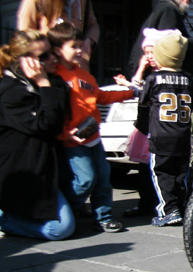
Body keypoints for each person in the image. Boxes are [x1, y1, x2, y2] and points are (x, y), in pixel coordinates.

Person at [0, 30, 75, 240]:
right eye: (43, 56)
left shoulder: (54, 81)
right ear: (24, 61)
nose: (53, 58)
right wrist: (44, 83)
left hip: (47, 167)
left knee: (84, 183)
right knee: (60, 229)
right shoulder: (12, 93)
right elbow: (48, 125)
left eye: (52, 52)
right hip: (23, 173)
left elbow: (61, 113)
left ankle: (3, 209)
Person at [48, 22, 135, 233]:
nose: (80, 50)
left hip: (93, 137)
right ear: (59, 50)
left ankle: (103, 217)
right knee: (85, 180)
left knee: (103, 178)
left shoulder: (85, 75)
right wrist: (64, 134)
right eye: (74, 47)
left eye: (81, 46)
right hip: (72, 141)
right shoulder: (54, 77)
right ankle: (65, 211)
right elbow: (52, 111)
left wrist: (130, 92)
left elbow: (101, 96)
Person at [128, 0, 193, 159]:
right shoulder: (168, 11)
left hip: (176, 88)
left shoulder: (169, 11)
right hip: (186, 85)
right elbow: (170, 44)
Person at [137, 30, 193, 227]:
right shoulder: (188, 80)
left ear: (162, 57)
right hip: (183, 137)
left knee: (161, 174)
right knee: (181, 175)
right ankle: (182, 207)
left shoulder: (153, 79)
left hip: (161, 137)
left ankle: (168, 209)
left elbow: (144, 103)